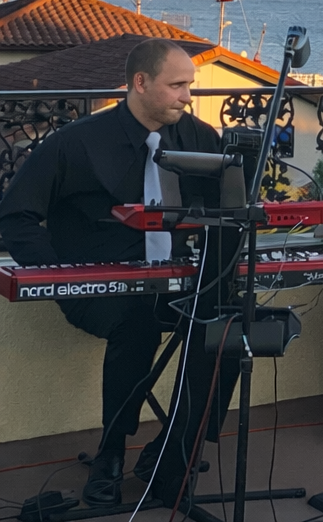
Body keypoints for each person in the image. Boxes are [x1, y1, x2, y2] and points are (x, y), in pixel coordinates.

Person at [0, 39, 239, 507]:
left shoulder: (199, 139)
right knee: (138, 321)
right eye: (177, 86)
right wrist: (58, 275)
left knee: (229, 324)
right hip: (96, 289)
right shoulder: (77, 142)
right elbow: (15, 217)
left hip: (173, 282)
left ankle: (173, 447)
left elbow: (228, 213)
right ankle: (111, 453)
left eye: (189, 85)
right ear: (140, 83)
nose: (188, 96)